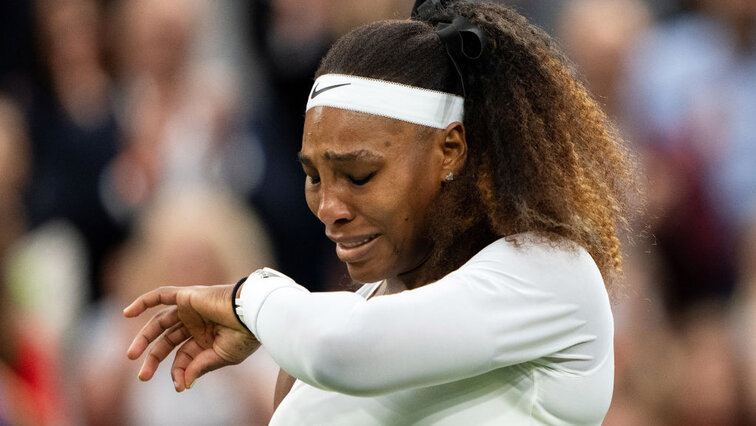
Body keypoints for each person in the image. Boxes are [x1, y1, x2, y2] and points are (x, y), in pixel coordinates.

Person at [124, 1, 636, 424]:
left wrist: (248, 297)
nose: (329, 209)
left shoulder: (553, 274)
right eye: (314, 178)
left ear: (451, 149)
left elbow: (342, 349)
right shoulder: (308, 343)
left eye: (360, 175)